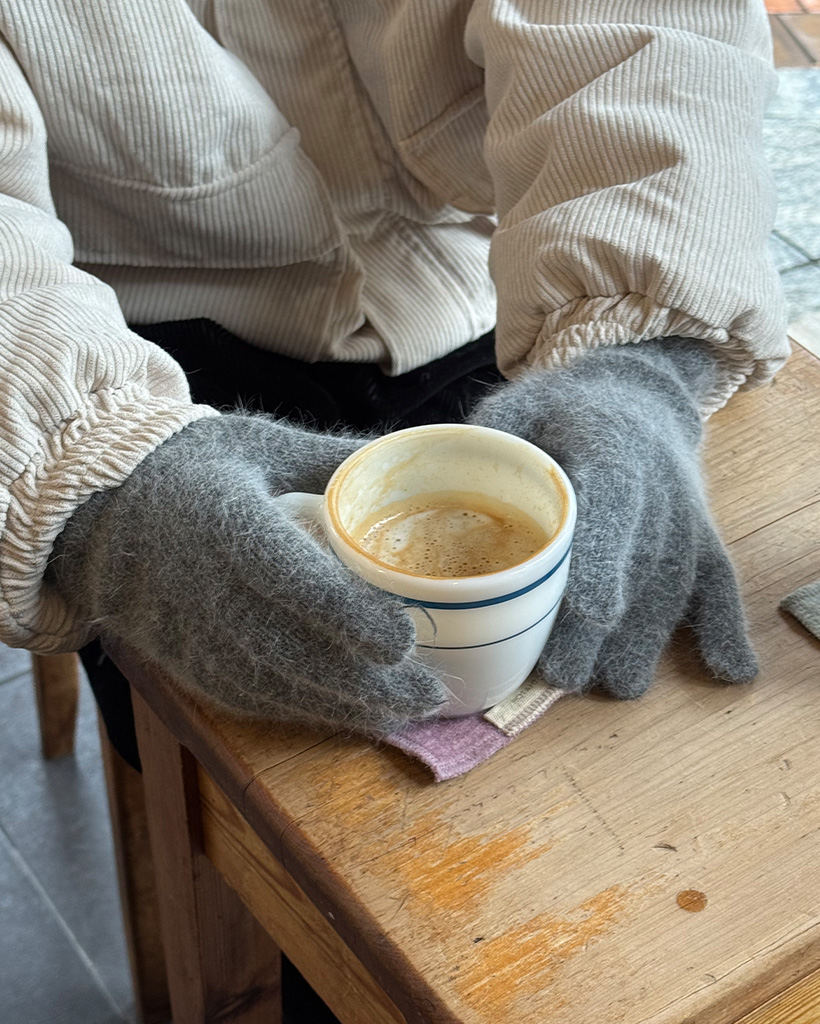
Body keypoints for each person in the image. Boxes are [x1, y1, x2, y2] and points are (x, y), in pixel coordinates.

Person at [0, 1, 789, 771]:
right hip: (120, 366)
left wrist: (640, 349)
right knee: (225, 771)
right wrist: (83, 474)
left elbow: (641, 33)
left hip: (518, 293)